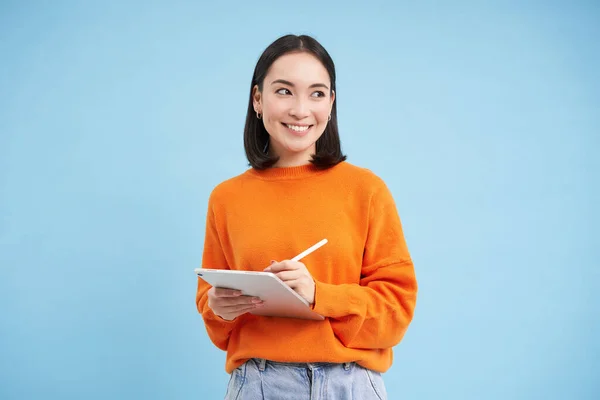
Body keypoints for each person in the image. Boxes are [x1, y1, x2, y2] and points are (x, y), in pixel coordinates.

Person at [195, 34, 418, 400]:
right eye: (284, 91)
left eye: (317, 93)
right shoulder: (226, 198)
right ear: (257, 99)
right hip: (259, 384)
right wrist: (219, 309)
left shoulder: (366, 190)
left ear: (331, 104)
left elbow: (396, 313)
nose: (301, 109)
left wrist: (318, 294)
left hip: (351, 385)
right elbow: (214, 319)